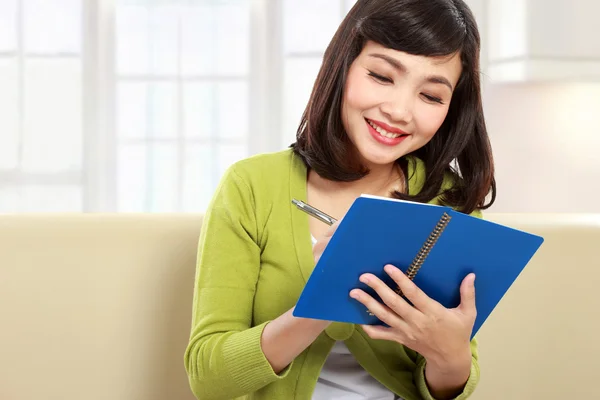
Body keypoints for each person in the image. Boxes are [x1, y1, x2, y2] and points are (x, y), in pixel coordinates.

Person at [183, 0, 496, 399]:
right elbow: (210, 379)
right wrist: (318, 304)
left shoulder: (450, 203)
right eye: (382, 76)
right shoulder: (252, 186)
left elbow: (450, 385)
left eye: (431, 96)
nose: (399, 111)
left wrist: (451, 357)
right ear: (343, 65)